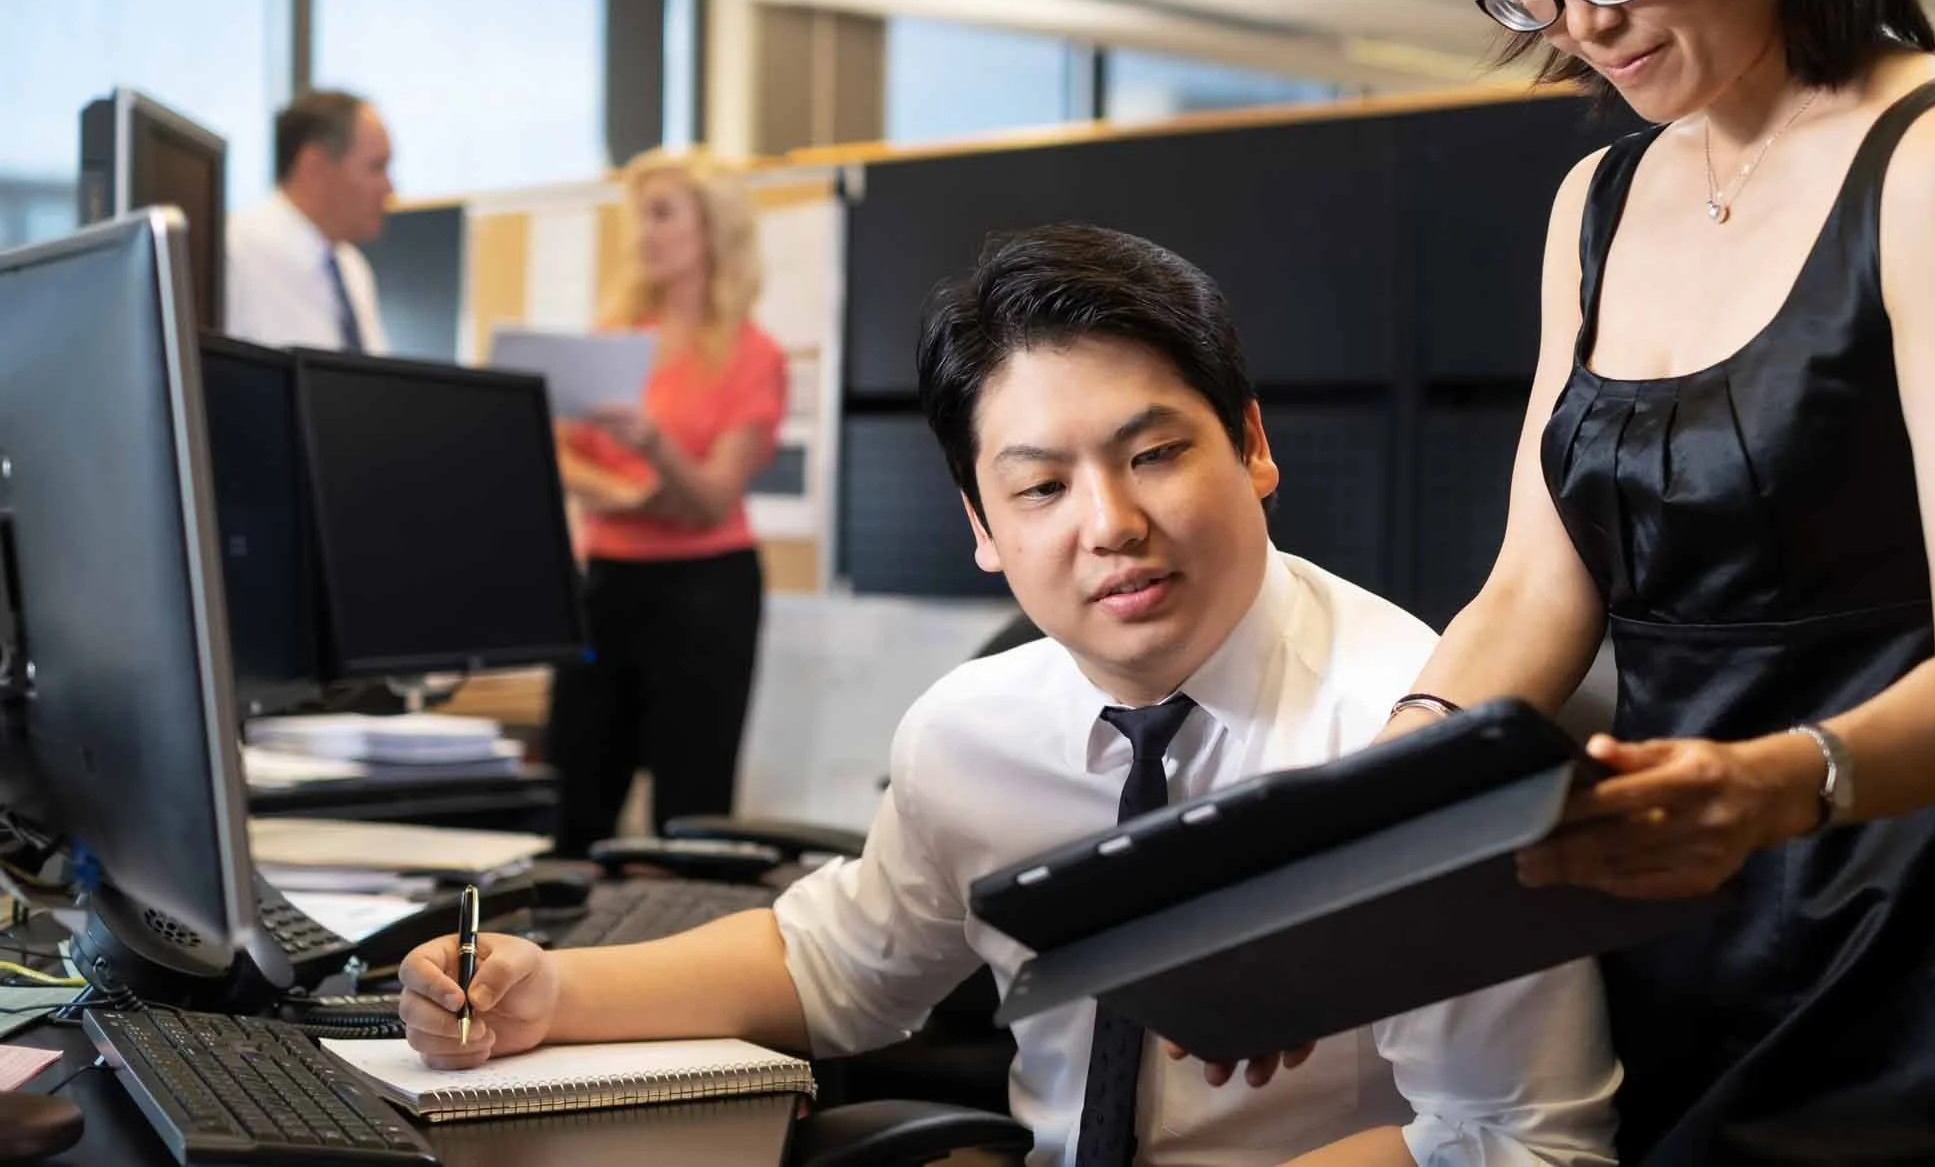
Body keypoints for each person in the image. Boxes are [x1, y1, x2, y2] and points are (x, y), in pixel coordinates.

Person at [401, 225, 1621, 1167]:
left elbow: (1515, 1139)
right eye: (1039, 487)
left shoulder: (1409, 724)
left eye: (1153, 454)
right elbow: (837, 961)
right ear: (981, 527)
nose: (1111, 526)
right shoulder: (969, 730)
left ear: (1249, 443)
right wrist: (547, 995)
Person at [1305, 0, 1935, 1161]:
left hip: (1911, 915)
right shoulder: (1599, 200)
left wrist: (1771, 786)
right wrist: (1352, 834)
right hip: (1662, 893)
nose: (1585, 22)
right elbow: (1533, 588)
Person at [545, 150, 787, 854]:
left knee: (691, 810)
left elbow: (711, 500)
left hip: (705, 592)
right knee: (574, 798)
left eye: (662, 213)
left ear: (713, 228)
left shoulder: (752, 355)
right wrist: (631, 493)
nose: (644, 233)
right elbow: (555, 448)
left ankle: (683, 957)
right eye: (639, 216)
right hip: (604, 584)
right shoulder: (612, 340)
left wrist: (652, 447)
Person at [226, 89, 393, 353]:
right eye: (376, 167)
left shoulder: (353, 269)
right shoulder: (233, 253)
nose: (389, 188)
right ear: (313, 167)